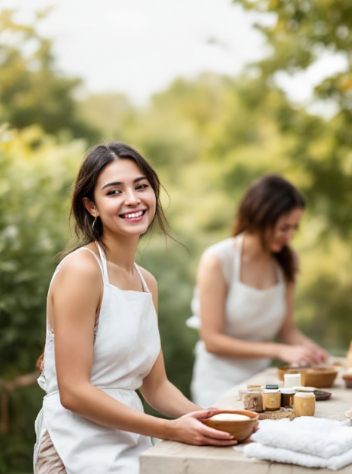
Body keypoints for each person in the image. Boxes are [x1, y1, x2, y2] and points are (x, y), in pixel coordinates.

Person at [33, 142, 239, 474]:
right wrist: (169, 429)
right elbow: (73, 392)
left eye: (141, 186)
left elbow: (156, 386)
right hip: (74, 447)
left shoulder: (146, 282)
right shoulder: (82, 270)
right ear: (92, 205)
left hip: (131, 443)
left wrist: (211, 417)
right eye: (114, 191)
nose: (133, 199)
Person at [187, 174, 329, 408]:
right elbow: (212, 340)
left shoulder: (287, 260)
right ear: (259, 218)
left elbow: (287, 330)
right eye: (284, 227)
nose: (290, 236)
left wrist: (315, 354)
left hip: (264, 383)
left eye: (295, 228)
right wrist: (279, 350)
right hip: (218, 384)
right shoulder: (217, 260)